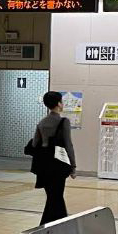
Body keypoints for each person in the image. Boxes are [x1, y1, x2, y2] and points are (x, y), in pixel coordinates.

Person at [30, 90, 76, 224]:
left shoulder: (42, 122)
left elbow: (34, 143)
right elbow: (68, 145)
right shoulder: (63, 122)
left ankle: (53, 223)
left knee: (52, 196)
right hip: (58, 165)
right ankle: (55, 224)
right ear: (58, 104)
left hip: (44, 165)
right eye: (61, 101)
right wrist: (73, 166)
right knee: (56, 196)